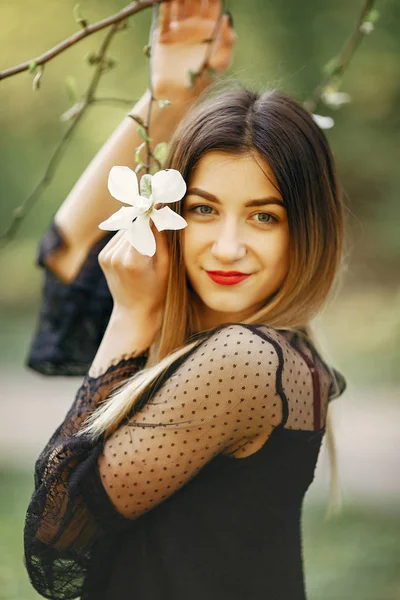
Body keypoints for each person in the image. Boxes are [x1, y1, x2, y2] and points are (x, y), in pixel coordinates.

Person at [23, 1, 346, 599]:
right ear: (171, 214)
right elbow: (66, 258)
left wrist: (132, 316)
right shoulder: (220, 344)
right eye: (203, 209)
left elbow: (55, 537)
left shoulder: (245, 362)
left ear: (307, 228)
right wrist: (166, 94)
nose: (227, 247)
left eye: (263, 216)